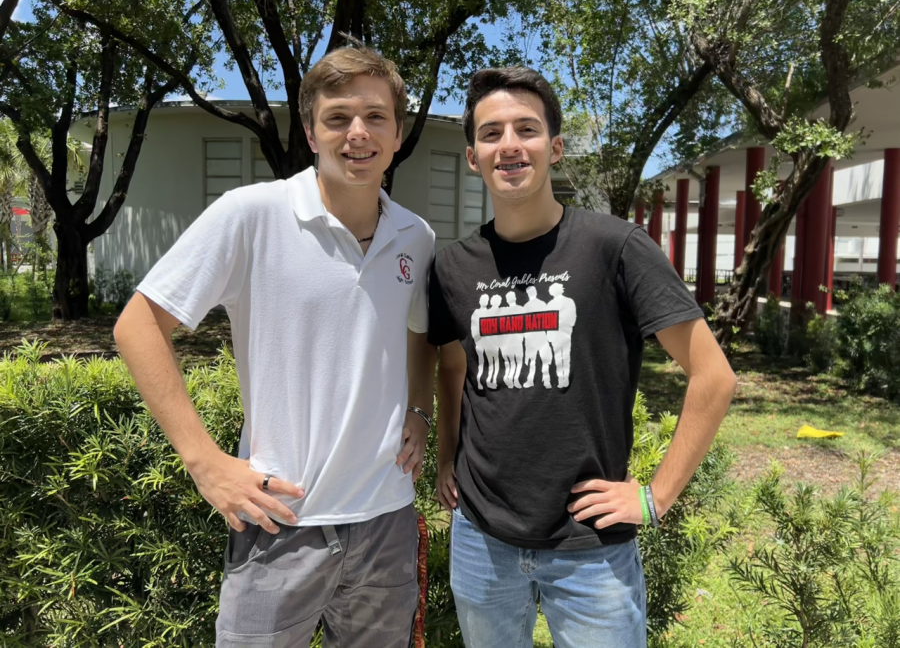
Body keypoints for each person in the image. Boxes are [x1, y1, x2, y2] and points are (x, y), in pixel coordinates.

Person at [115, 45, 436, 648]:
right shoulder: (251, 214)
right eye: (337, 118)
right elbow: (137, 325)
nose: (357, 133)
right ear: (312, 133)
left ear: (398, 135)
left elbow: (418, 330)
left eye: (376, 116)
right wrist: (205, 463)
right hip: (280, 518)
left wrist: (420, 407)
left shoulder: (415, 237)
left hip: (385, 517)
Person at [428, 66, 737, 648]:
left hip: (591, 546)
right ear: (473, 156)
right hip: (481, 537)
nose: (510, 145)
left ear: (555, 147)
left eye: (527, 129)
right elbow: (452, 368)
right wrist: (447, 459)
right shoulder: (452, 267)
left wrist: (655, 496)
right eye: (491, 134)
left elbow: (714, 378)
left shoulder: (614, 247)